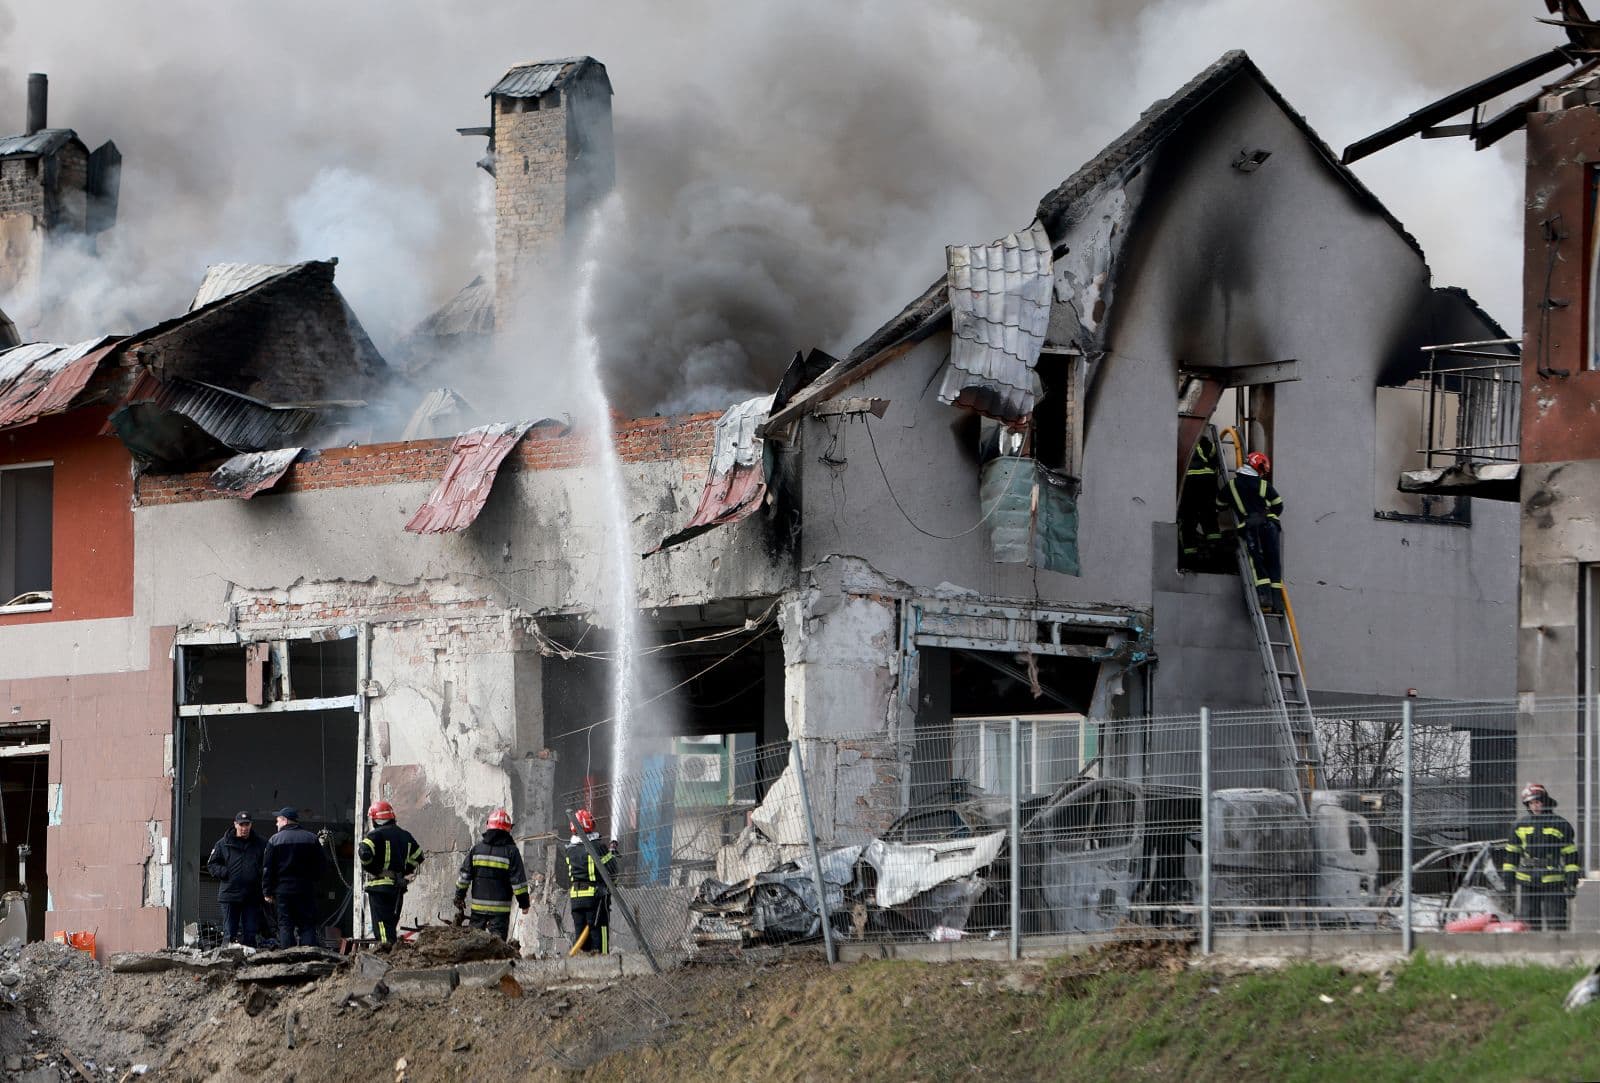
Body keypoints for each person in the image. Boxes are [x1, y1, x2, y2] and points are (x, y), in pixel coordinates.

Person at [1503, 782, 1580, 931]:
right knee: (1529, 923)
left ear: (1544, 801)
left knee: (1556, 921)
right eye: (1531, 803)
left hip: (1554, 881)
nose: (1535, 806)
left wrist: (1571, 882)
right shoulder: (1519, 826)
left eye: (1537, 802)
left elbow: (1571, 857)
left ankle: (1558, 951)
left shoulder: (1560, 824)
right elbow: (1511, 855)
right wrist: (1508, 882)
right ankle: (1531, 953)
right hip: (1527, 880)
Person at [1219, 449, 1285, 611]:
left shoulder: (1232, 485)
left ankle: (1264, 599)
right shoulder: (1263, 485)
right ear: (1258, 467)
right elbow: (1278, 505)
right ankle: (1277, 603)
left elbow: (1219, 504)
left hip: (1250, 528)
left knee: (1257, 561)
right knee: (1273, 562)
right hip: (1270, 526)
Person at [454, 808, 530, 940]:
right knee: (498, 949)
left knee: (473, 947)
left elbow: (464, 877)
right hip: (500, 913)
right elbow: (519, 883)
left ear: (488, 826)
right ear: (508, 830)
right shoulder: (511, 852)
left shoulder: (477, 849)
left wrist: (459, 897)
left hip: (478, 910)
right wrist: (524, 904)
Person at [358, 800, 424, 950]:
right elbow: (418, 856)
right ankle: (393, 952)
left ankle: (385, 952)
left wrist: (374, 869)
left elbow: (364, 852)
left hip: (379, 887)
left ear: (376, 819)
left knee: (381, 925)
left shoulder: (375, 835)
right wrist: (404, 871)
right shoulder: (405, 835)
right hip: (397, 887)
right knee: (391, 924)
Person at [262, 806, 328, 948]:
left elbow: (268, 869)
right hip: (305, 890)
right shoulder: (311, 838)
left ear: (285, 821)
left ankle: (288, 959)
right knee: (307, 924)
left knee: (285, 925)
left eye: (278, 820)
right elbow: (322, 865)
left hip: (283, 891)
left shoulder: (274, 840)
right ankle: (309, 957)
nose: (276, 823)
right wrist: (313, 882)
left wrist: (267, 891)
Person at [206, 811, 268, 947]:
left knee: (250, 932)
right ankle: (226, 962)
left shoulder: (261, 843)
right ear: (235, 824)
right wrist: (225, 873)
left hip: (252, 895)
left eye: (247, 824)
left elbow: (268, 865)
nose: (244, 828)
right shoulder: (223, 844)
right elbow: (211, 864)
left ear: (251, 825)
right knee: (229, 932)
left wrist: (259, 876)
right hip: (230, 894)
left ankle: (250, 963)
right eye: (241, 825)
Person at [565, 808, 619, 954]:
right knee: (599, 932)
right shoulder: (597, 846)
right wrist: (612, 853)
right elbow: (612, 870)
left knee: (581, 935)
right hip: (595, 898)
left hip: (576, 898)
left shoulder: (570, 849)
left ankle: (582, 966)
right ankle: (602, 962)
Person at [1178, 433, 1222, 562]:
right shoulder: (1204, 442)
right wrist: (1213, 473)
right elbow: (1217, 455)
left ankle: (1189, 553)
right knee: (1208, 514)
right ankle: (1215, 547)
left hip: (1189, 480)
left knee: (1188, 517)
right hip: (1207, 481)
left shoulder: (1179, 441)